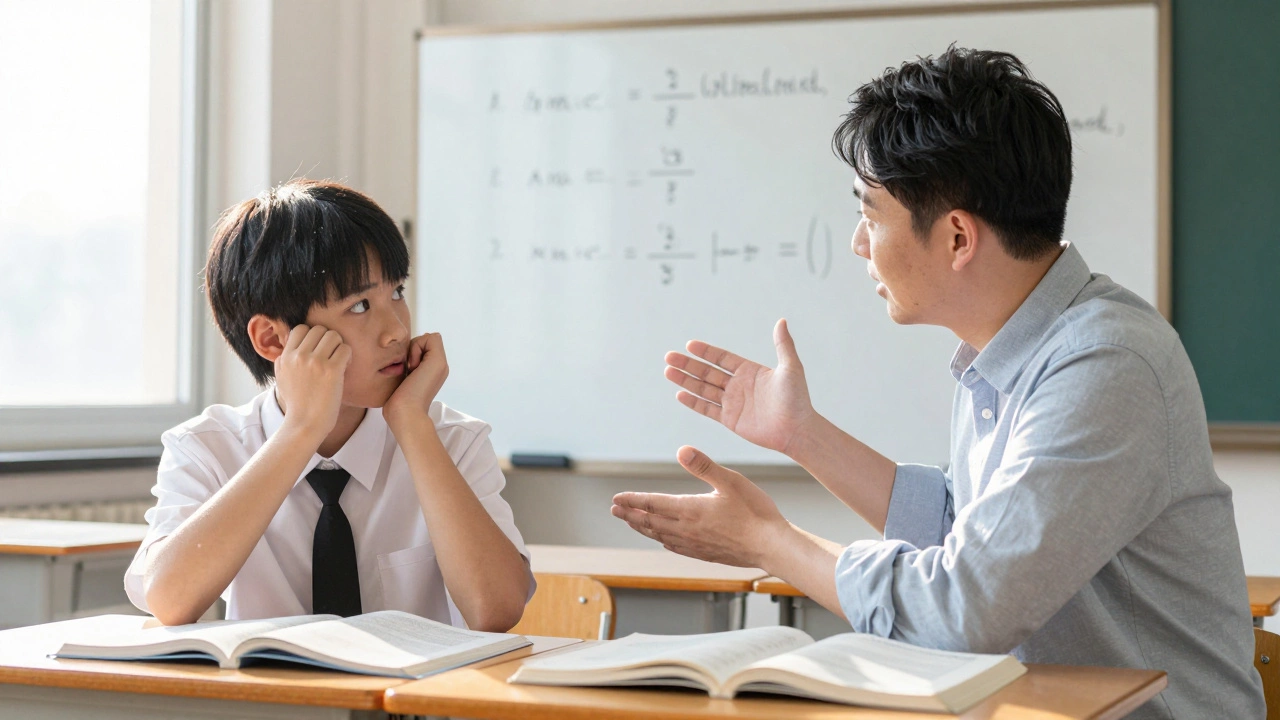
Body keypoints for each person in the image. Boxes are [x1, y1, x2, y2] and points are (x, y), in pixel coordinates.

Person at [611, 47, 1264, 718]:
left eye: (870, 214)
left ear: (956, 238)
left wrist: (768, 542)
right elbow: (968, 529)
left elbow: (966, 607)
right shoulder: (1013, 348)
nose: (860, 244)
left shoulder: (1106, 363)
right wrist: (802, 435)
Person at [125, 180, 533, 630]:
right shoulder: (206, 448)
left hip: (414, 698)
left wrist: (412, 424)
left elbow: (497, 611)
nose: (396, 330)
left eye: (396, 292)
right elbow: (168, 599)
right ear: (274, 339)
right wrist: (301, 429)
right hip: (273, 700)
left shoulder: (453, 440)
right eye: (360, 306)